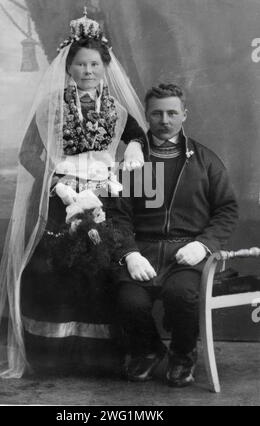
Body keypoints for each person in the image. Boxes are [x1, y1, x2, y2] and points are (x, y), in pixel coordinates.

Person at [0, 10, 148, 378]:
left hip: (103, 196)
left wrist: (133, 147)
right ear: (68, 67)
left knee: (97, 270)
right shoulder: (50, 107)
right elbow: (26, 155)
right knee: (56, 272)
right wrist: (56, 184)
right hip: (57, 199)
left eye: (95, 64)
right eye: (80, 64)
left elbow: (137, 134)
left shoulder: (115, 109)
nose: (88, 71)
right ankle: (53, 357)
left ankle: (97, 358)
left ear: (105, 67)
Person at [107, 83, 239, 387]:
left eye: (172, 113)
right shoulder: (132, 162)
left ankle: (182, 354)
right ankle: (148, 349)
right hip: (143, 251)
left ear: (184, 115)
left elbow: (227, 209)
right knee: (129, 300)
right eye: (157, 113)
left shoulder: (206, 160)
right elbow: (117, 214)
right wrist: (129, 253)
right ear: (147, 116)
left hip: (188, 253)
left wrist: (204, 245)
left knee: (182, 295)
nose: (164, 120)